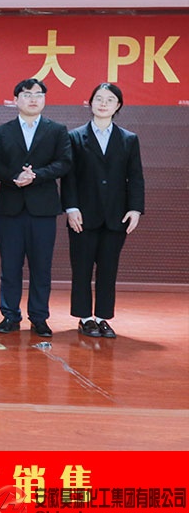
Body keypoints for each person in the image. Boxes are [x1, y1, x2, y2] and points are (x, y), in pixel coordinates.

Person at [0, 78, 72, 337]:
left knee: (41, 267)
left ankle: (39, 317)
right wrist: (15, 177)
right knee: (10, 267)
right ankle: (9, 316)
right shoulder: (2, 131)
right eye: (26, 94)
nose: (33, 99)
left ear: (44, 99)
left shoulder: (57, 130)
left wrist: (36, 175)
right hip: (10, 209)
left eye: (38, 94)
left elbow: (65, 162)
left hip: (43, 210)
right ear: (16, 100)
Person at [61, 83, 144, 339]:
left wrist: (135, 209)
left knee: (108, 269)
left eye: (109, 100)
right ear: (90, 103)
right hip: (83, 216)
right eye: (99, 98)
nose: (103, 104)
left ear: (118, 105)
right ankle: (85, 318)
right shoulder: (75, 137)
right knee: (82, 268)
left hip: (116, 215)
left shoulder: (129, 139)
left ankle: (102, 318)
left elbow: (135, 176)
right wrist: (71, 208)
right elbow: (69, 177)